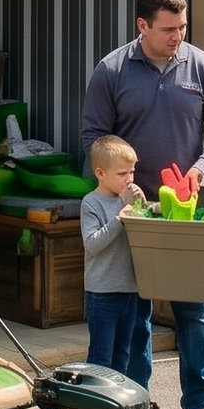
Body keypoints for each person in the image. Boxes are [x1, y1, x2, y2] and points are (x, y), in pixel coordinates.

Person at [79, 0, 204, 409]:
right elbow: (94, 139)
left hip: (184, 212)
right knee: (136, 319)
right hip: (134, 217)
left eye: (183, 27)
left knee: (195, 314)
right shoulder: (111, 71)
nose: (178, 37)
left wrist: (203, 168)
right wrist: (121, 190)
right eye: (168, 28)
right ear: (142, 25)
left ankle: (201, 407)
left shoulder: (203, 67)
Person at [79, 135, 152, 386]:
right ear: (100, 173)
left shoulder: (129, 199)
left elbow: (144, 234)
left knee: (122, 357)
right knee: (101, 358)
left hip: (130, 291)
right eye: (122, 173)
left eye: (132, 172)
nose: (129, 179)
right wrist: (120, 218)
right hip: (102, 293)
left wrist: (142, 207)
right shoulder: (91, 202)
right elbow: (92, 244)